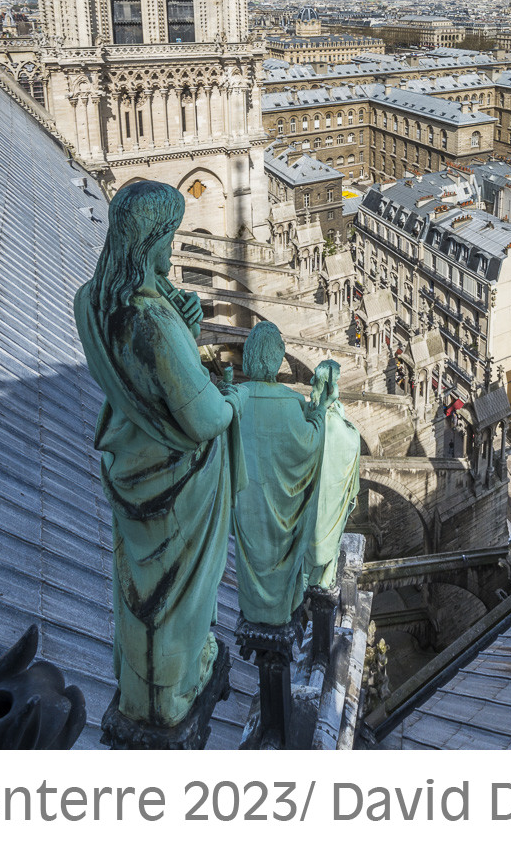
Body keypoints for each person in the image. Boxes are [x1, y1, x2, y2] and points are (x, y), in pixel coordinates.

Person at [74, 180, 246, 729]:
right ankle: (172, 693)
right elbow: (204, 417)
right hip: (175, 477)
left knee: (137, 591)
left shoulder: (91, 301)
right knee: (177, 598)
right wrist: (227, 395)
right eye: (168, 237)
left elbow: (136, 384)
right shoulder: (149, 319)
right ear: (148, 239)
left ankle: (137, 689)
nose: (172, 250)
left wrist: (183, 324)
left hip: (132, 468)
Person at [232, 322, 326, 625]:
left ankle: (255, 607)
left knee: (250, 561)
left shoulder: (234, 400)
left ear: (248, 357)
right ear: (277, 357)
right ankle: (280, 607)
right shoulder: (291, 402)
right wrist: (320, 412)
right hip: (282, 520)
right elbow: (310, 445)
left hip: (246, 512)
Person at [304, 360, 361, 591]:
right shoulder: (334, 425)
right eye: (336, 380)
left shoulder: (306, 413)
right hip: (327, 496)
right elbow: (352, 442)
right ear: (330, 386)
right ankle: (322, 579)